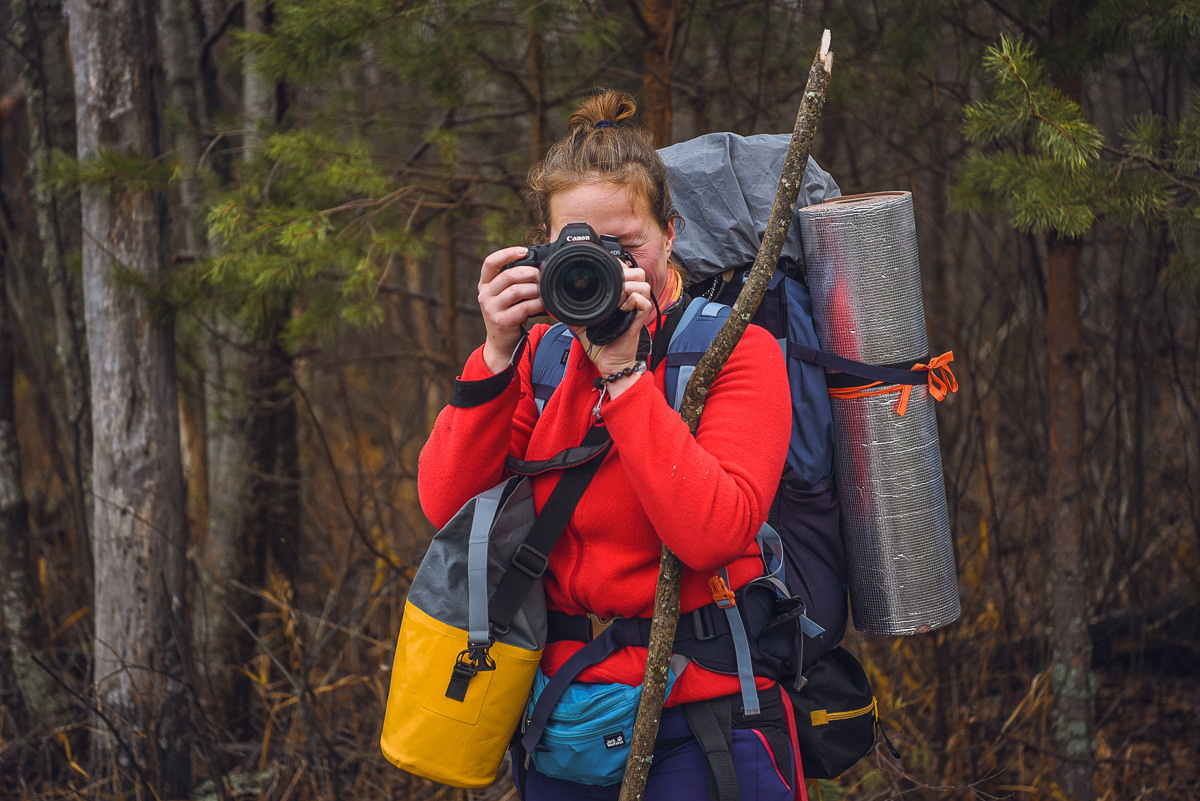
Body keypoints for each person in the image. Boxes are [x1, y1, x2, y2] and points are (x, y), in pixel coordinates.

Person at [417, 89, 797, 801]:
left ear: (672, 233)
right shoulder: (543, 355)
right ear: (545, 249)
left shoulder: (737, 351)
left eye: (626, 246)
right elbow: (449, 507)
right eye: (577, 248)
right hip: (562, 711)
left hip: (698, 707)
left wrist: (626, 377)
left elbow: (711, 535)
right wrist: (496, 354)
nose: (602, 268)